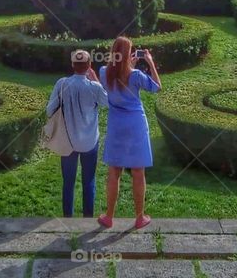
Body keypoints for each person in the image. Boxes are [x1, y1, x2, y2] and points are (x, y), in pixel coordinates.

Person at [98, 36, 161, 230]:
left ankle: (108, 217)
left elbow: (116, 77)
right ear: (128, 54)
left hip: (116, 124)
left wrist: (129, 65)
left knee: (114, 171)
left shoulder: (103, 72)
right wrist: (149, 62)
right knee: (138, 171)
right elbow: (157, 86)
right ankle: (140, 217)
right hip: (135, 125)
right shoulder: (136, 75)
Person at [45, 49, 108, 218]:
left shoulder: (62, 84)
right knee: (89, 181)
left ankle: (68, 218)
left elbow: (49, 110)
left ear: (73, 65)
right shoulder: (94, 87)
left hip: (68, 141)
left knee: (68, 182)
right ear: (89, 66)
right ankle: (88, 218)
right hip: (90, 142)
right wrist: (96, 80)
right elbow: (107, 102)